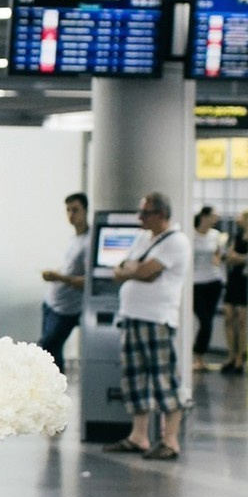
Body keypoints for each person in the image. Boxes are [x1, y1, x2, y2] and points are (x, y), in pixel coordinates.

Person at [104, 191, 191, 460]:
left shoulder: (176, 242)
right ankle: (138, 436)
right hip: (132, 315)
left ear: (161, 215)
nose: (140, 217)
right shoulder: (144, 238)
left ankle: (170, 440)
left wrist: (134, 269)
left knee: (164, 379)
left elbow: (144, 272)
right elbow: (119, 269)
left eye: (145, 213)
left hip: (157, 319)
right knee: (135, 379)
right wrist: (133, 269)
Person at [39, 191, 89, 372]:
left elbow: (87, 281)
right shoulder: (74, 239)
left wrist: (58, 277)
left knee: (46, 347)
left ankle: (54, 390)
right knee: (53, 351)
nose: (71, 215)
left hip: (67, 308)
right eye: (68, 210)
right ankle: (54, 392)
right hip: (52, 302)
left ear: (85, 210)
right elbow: (70, 269)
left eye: (75, 210)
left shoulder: (89, 242)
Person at [190, 205, 230, 373]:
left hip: (213, 281)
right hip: (196, 282)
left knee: (208, 322)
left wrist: (219, 256)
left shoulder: (215, 236)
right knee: (204, 320)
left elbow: (219, 255)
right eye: (214, 215)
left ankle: (200, 357)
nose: (217, 218)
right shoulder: (191, 235)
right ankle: (197, 355)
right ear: (204, 216)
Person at [220, 210, 248, 376]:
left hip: (246, 282)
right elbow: (229, 256)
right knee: (228, 316)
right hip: (234, 280)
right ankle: (231, 354)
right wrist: (240, 257)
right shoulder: (237, 236)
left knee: (241, 321)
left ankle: (240, 356)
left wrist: (239, 257)